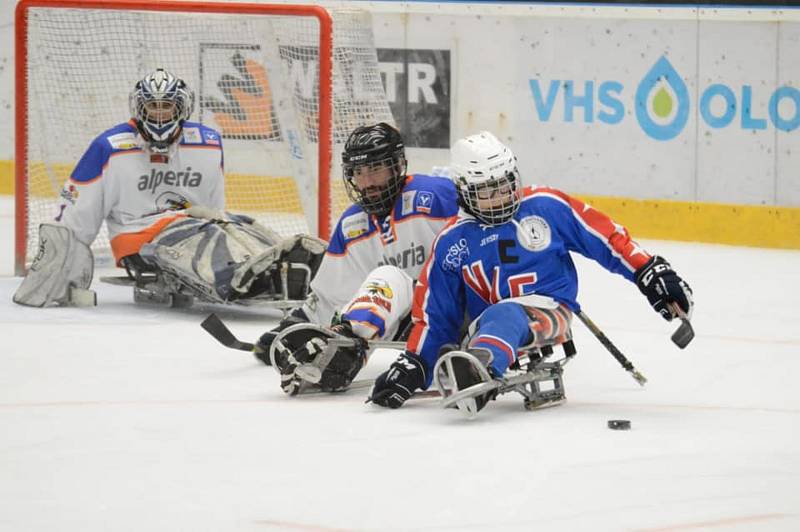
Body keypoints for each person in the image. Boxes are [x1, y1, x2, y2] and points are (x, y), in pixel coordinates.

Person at [369, 131, 694, 412]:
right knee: (497, 315)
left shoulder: (545, 206)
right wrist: (414, 366)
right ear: (464, 190)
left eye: (506, 184)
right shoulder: (451, 243)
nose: (501, 197)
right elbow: (436, 317)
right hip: (485, 325)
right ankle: (476, 360)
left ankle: (480, 367)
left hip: (551, 311)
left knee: (508, 313)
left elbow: (607, 239)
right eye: (487, 190)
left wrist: (649, 272)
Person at [14, 68, 323, 308]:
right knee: (204, 237)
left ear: (181, 107)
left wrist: (222, 223)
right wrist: (62, 274)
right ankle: (245, 279)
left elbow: (215, 209)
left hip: (195, 225)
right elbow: (76, 216)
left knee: (237, 225)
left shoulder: (209, 143)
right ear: (140, 108)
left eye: (166, 106)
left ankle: (286, 262)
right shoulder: (108, 147)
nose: (159, 114)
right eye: (153, 106)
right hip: (138, 237)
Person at [255, 122, 460, 395]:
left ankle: (347, 349)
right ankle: (340, 357)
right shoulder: (352, 224)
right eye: (359, 172)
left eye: (375, 169)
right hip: (404, 323)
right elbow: (331, 293)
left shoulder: (437, 197)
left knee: (388, 275)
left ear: (398, 165)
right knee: (383, 282)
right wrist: (292, 326)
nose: (366, 181)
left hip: (457, 310)